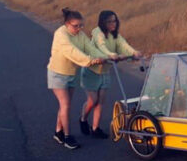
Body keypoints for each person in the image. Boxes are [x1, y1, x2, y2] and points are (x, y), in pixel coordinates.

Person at [47, 8, 108, 150]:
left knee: (64, 105)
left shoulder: (80, 34)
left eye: (81, 25)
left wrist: (104, 57)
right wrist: (90, 61)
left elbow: (89, 47)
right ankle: (67, 137)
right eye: (76, 26)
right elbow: (71, 51)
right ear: (67, 24)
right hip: (57, 73)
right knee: (66, 104)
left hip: (72, 73)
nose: (79, 28)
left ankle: (58, 132)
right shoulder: (61, 34)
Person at [80, 10, 143, 138]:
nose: (112, 24)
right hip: (91, 71)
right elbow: (102, 46)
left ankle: (95, 128)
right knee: (93, 101)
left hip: (105, 71)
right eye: (109, 21)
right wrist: (111, 55)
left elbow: (123, 45)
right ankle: (83, 119)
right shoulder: (97, 33)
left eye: (114, 21)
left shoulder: (115, 35)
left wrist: (134, 52)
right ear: (103, 22)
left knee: (100, 102)